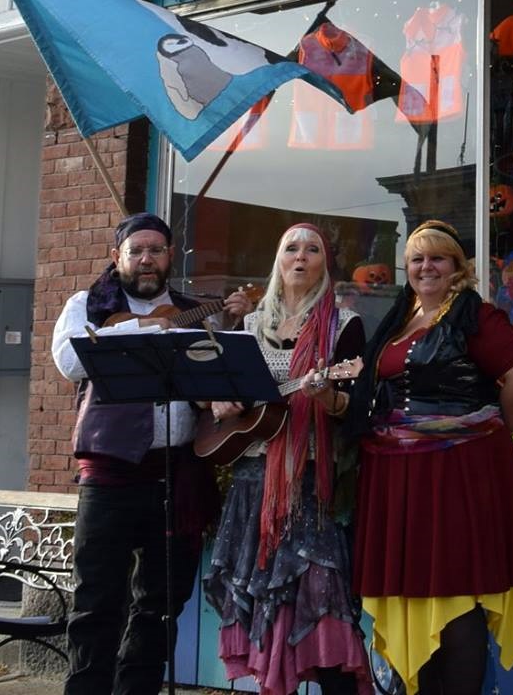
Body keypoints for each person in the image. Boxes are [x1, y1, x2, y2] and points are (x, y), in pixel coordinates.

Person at [50, 213, 253, 695]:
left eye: (156, 250)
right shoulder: (89, 304)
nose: (146, 259)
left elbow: (217, 377)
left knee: (160, 604)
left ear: (168, 258)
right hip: (110, 473)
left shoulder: (191, 309)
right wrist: (144, 334)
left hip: (175, 472)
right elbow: (70, 359)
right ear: (116, 257)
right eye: (136, 250)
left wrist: (233, 321)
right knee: (97, 600)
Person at [349, 220, 513, 695]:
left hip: (458, 474)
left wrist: (490, 430)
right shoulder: (403, 316)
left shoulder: (473, 316)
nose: (425, 266)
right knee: (417, 595)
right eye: (416, 259)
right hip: (399, 477)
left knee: (456, 595)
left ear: (458, 267)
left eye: (437, 257)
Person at [201, 223, 370, 695]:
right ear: (278, 260)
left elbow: (354, 408)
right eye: (290, 248)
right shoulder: (250, 325)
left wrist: (326, 397)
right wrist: (221, 403)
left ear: (325, 262)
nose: (300, 256)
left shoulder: (344, 326)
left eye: (311, 249)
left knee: (321, 594)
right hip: (252, 480)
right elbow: (216, 391)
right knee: (264, 605)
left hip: (310, 480)